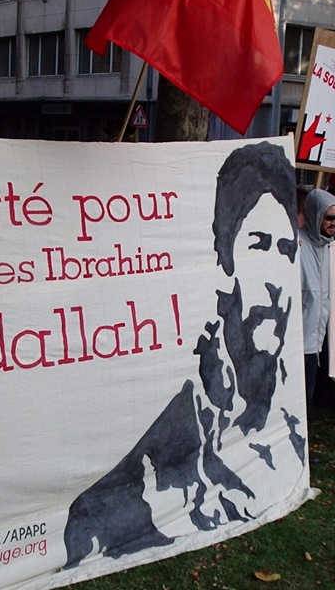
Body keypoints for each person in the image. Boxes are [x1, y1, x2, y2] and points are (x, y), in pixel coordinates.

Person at [64, 142, 307, 568]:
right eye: (259, 245)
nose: (274, 278)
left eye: (287, 249)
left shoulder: (286, 393)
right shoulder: (193, 401)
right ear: (226, 258)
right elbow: (90, 517)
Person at [300, 189, 335, 410]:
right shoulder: (296, 244)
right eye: (329, 217)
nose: (334, 223)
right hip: (300, 339)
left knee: (311, 398)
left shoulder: (334, 248)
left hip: (321, 338)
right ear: (315, 215)